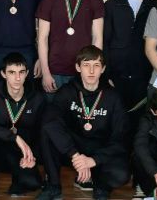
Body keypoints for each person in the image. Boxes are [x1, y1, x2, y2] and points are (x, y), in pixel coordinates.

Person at [37, 46, 129, 200]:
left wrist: (93, 160)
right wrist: (75, 155)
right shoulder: (67, 91)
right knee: (47, 130)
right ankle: (53, 186)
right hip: (74, 148)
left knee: (121, 174)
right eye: (86, 65)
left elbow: (120, 138)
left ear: (103, 69)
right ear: (78, 67)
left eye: (96, 65)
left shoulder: (113, 97)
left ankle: (101, 186)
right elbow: (50, 122)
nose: (91, 71)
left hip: (100, 150)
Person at [103, 0, 157, 143]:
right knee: (115, 124)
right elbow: (104, 42)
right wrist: (106, 74)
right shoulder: (111, 6)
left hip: (145, 76)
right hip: (116, 77)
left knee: (142, 126)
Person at [0, 52, 46, 199]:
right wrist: (14, 137)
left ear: (27, 73)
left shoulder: (37, 97)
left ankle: (20, 177)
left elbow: (42, 131)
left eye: (21, 72)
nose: (17, 78)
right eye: (12, 72)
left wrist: (33, 156)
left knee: (32, 183)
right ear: (3, 74)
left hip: (22, 153)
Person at [36, 0, 105, 95]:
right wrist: (46, 73)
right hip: (55, 71)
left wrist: (94, 71)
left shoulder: (95, 0)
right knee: (53, 109)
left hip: (83, 72)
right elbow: (42, 39)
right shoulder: (48, 1)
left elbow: (97, 38)